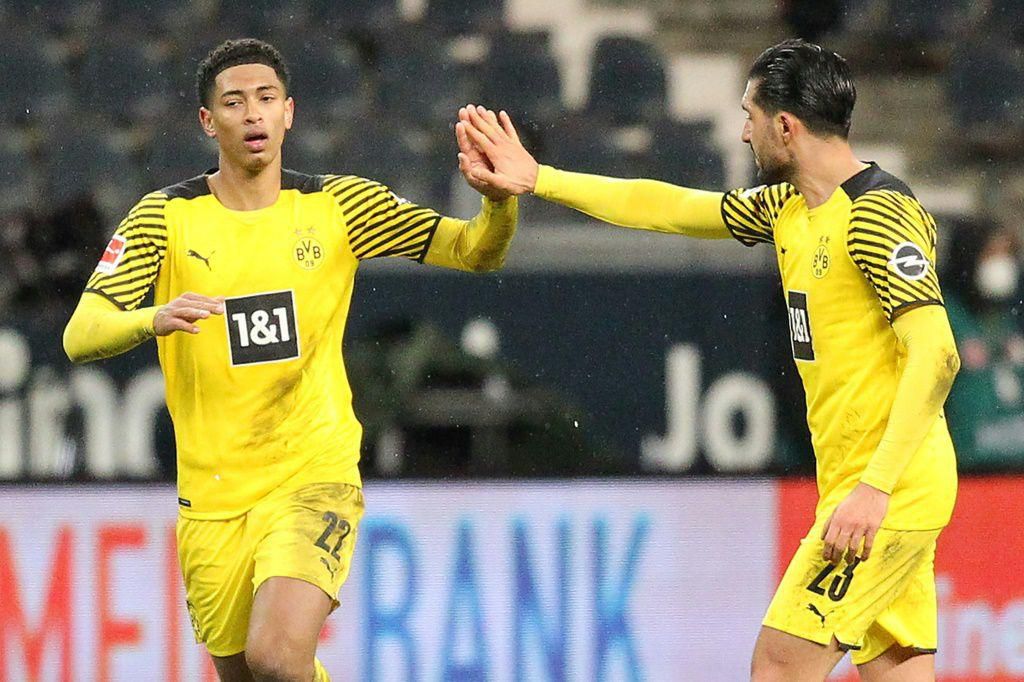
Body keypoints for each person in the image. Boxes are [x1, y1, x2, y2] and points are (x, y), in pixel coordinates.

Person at [460, 39, 960, 681]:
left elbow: (938, 353)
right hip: (868, 488)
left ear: (786, 126)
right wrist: (540, 180)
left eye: (750, 115)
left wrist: (876, 488)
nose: (743, 132)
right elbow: (669, 207)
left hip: (889, 490)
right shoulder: (788, 209)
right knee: (895, 668)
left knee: (778, 666)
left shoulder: (876, 214)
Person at [62, 38, 517, 681]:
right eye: (234, 102)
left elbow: (475, 250)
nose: (252, 115)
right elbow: (81, 334)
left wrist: (498, 202)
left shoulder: (339, 207)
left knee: (275, 656)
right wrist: (151, 317)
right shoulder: (164, 219)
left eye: (266, 100)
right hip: (212, 501)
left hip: (311, 474)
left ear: (290, 113)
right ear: (206, 121)